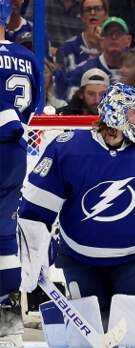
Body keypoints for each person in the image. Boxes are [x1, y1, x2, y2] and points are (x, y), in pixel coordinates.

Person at [18, 83, 135, 323]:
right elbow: (36, 208)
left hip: (134, 262)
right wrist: (35, 249)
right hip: (80, 260)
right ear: (116, 112)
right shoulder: (68, 150)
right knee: (92, 324)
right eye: (133, 112)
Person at [0, 1, 42, 346]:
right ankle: (9, 323)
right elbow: (32, 110)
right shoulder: (27, 57)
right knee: (3, 240)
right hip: (15, 154)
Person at [60, 16, 132, 101]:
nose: (113, 37)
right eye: (108, 33)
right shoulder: (82, 71)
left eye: (119, 33)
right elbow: (71, 104)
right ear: (101, 41)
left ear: (128, 40)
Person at [55, 0, 109, 74]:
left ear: (106, 15)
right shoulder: (66, 48)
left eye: (98, 9)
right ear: (82, 17)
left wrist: (102, 48)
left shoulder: (114, 47)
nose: (92, 13)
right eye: (88, 10)